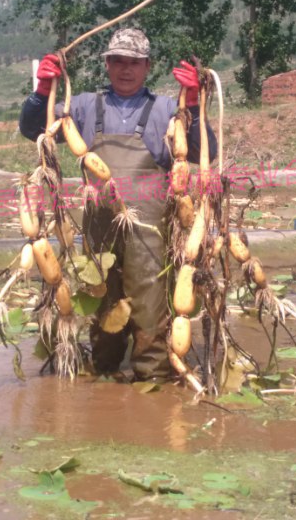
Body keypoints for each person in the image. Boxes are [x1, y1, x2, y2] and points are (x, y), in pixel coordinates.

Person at [19, 27, 217, 382]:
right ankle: (105, 370)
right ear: (107, 65)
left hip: (151, 225)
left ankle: (153, 375)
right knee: (102, 296)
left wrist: (194, 107)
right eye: (118, 62)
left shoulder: (166, 108)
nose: (126, 69)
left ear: (147, 66)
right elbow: (34, 128)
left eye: (135, 63)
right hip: (100, 220)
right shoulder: (81, 106)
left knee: (150, 298)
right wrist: (41, 91)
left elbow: (208, 153)